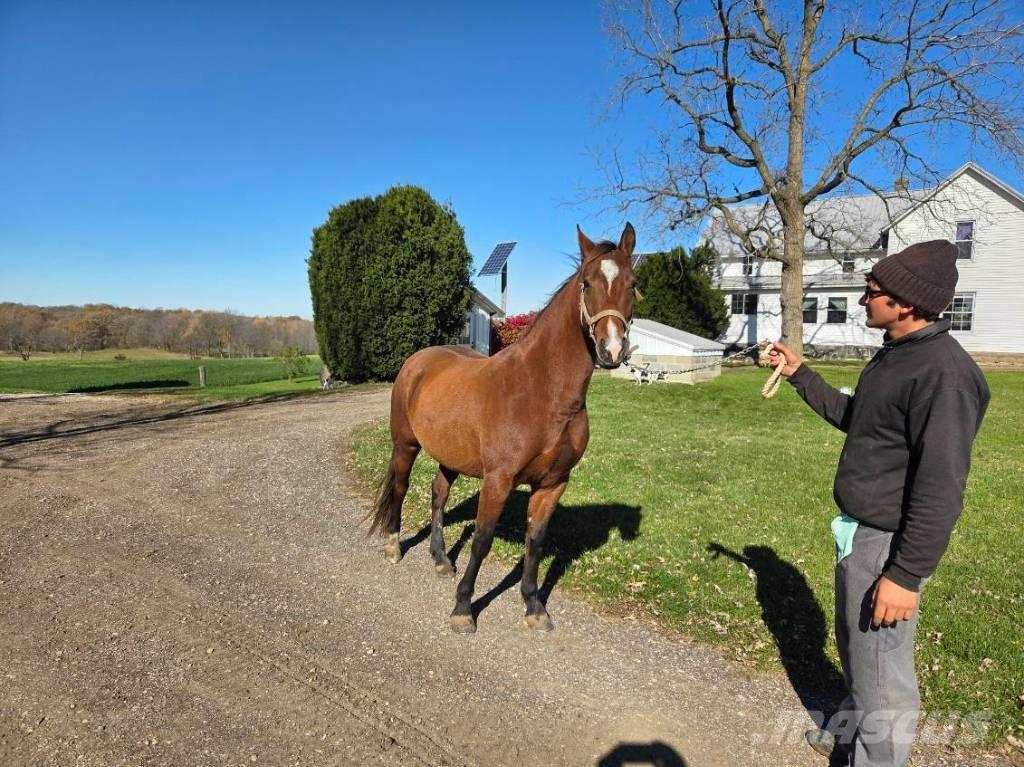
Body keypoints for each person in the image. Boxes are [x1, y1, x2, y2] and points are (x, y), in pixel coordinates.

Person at [768, 240, 990, 767]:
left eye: (872, 292)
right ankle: (851, 731)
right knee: (858, 651)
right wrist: (800, 374)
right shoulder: (897, 355)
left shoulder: (944, 375)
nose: (863, 300)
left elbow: (941, 488)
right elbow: (859, 421)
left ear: (907, 304)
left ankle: (877, 755)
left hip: (888, 546)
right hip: (859, 533)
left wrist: (905, 574)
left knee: (883, 676)